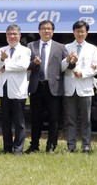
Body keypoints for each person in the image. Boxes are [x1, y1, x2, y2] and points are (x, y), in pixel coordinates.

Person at [25, 20, 68, 154]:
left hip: (53, 87)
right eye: (43, 28)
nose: (46, 31)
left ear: (53, 31)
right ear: (39, 31)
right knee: (35, 118)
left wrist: (72, 62)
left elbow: (67, 66)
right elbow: (27, 65)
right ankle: (34, 145)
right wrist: (34, 63)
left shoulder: (61, 47)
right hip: (36, 86)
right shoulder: (31, 46)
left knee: (54, 118)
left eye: (49, 29)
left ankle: (51, 146)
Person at [61, 20, 97, 153]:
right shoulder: (66, 47)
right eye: (77, 31)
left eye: (82, 31)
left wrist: (83, 73)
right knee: (70, 119)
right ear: (73, 32)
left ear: (87, 32)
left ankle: (86, 144)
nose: (80, 33)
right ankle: (71, 145)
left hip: (85, 87)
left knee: (86, 119)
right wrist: (68, 61)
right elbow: (60, 68)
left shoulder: (92, 48)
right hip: (70, 87)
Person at [0, 24, 30, 155]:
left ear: (19, 36)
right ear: (6, 36)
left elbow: (23, 65)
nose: (12, 36)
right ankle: (7, 147)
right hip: (4, 89)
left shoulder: (25, 50)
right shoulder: (2, 50)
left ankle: (18, 148)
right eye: (9, 34)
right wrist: (2, 59)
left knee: (19, 121)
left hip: (18, 90)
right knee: (6, 121)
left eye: (15, 34)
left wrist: (6, 66)